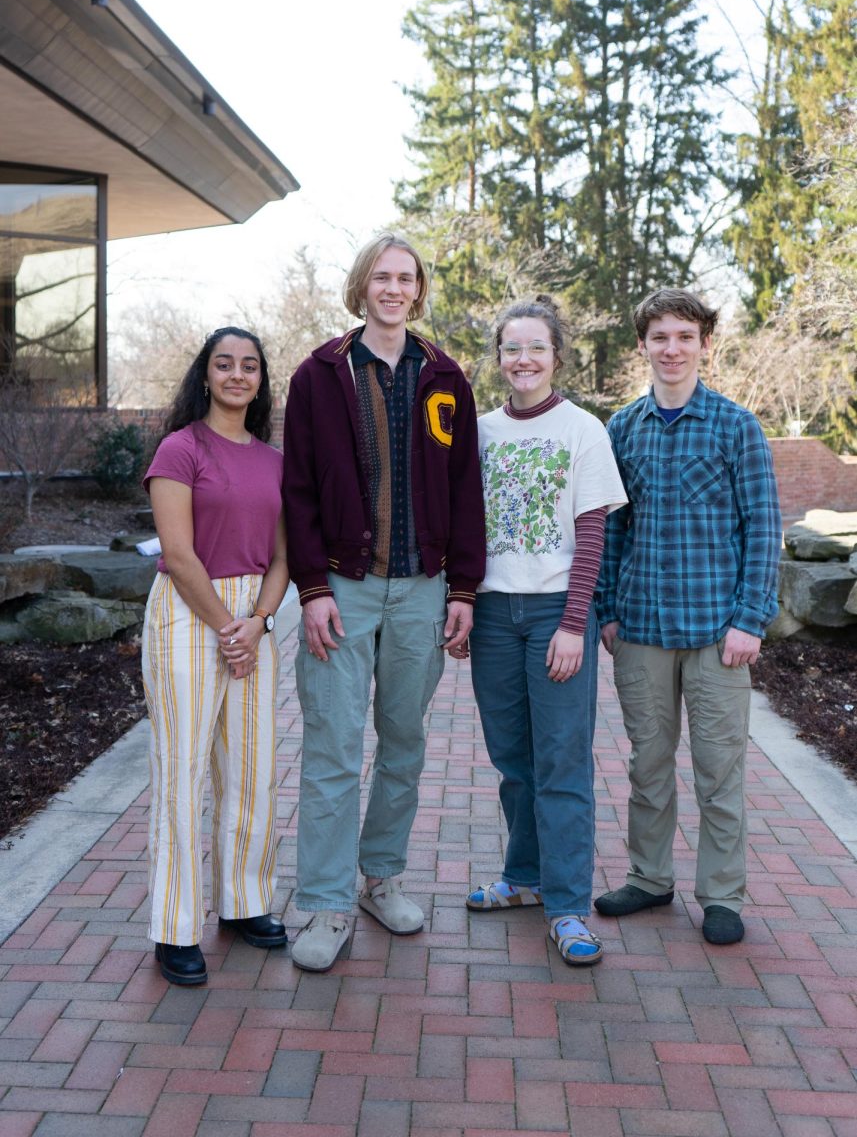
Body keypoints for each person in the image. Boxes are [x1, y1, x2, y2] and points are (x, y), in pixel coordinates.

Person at [282, 232, 485, 972]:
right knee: (333, 749)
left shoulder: (445, 377)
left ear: (419, 290)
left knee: (403, 743)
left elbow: (466, 489)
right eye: (382, 277)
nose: (394, 289)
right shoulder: (320, 375)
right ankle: (326, 906)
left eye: (406, 278)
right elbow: (296, 490)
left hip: (423, 590)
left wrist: (462, 588)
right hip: (342, 587)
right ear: (361, 285)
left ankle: (381, 878)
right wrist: (310, 589)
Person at [594, 288, 781, 945]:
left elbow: (762, 528)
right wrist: (606, 611)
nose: (671, 348)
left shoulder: (735, 426)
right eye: (658, 337)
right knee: (648, 764)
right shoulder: (621, 429)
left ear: (704, 343)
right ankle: (648, 878)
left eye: (684, 336)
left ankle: (721, 894)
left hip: (716, 633)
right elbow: (612, 531)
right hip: (641, 629)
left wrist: (751, 619)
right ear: (642, 345)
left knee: (717, 767)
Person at [463, 296, 627, 966]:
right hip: (495, 616)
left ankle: (567, 907)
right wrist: (463, 602)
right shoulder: (479, 432)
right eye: (510, 348)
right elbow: (462, 529)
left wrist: (571, 625)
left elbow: (592, 533)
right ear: (498, 358)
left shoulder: (582, 429)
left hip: (559, 610)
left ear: (556, 354)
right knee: (513, 762)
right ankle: (523, 878)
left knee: (561, 763)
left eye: (535, 347)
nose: (522, 359)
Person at [142, 326, 289, 986]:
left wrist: (256, 622)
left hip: (252, 618)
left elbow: (286, 556)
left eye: (249, 366)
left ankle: (243, 902)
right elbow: (176, 554)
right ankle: (175, 927)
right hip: (187, 611)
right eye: (224, 364)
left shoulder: (273, 459)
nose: (237, 375)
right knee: (182, 773)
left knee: (252, 769)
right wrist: (229, 624)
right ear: (205, 375)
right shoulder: (180, 449)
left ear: (261, 380)